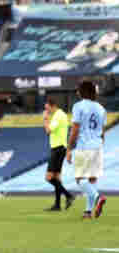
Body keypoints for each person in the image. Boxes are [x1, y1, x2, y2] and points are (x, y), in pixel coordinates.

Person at [67, 81, 108, 219]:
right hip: (97, 144)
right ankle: (88, 212)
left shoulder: (78, 106)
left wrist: (69, 148)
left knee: (80, 179)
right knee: (92, 179)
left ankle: (98, 197)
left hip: (84, 145)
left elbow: (75, 129)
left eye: (78, 90)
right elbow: (102, 132)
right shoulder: (101, 108)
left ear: (82, 91)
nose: (77, 92)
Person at [42, 97, 74, 211]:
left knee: (49, 177)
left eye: (47, 108)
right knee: (56, 177)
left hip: (58, 149)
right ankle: (57, 204)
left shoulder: (58, 115)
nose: (47, 111)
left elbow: (48, 130)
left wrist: (45, 119)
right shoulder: (61, 115)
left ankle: (69, 195)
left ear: (52, 105)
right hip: (60, 148)